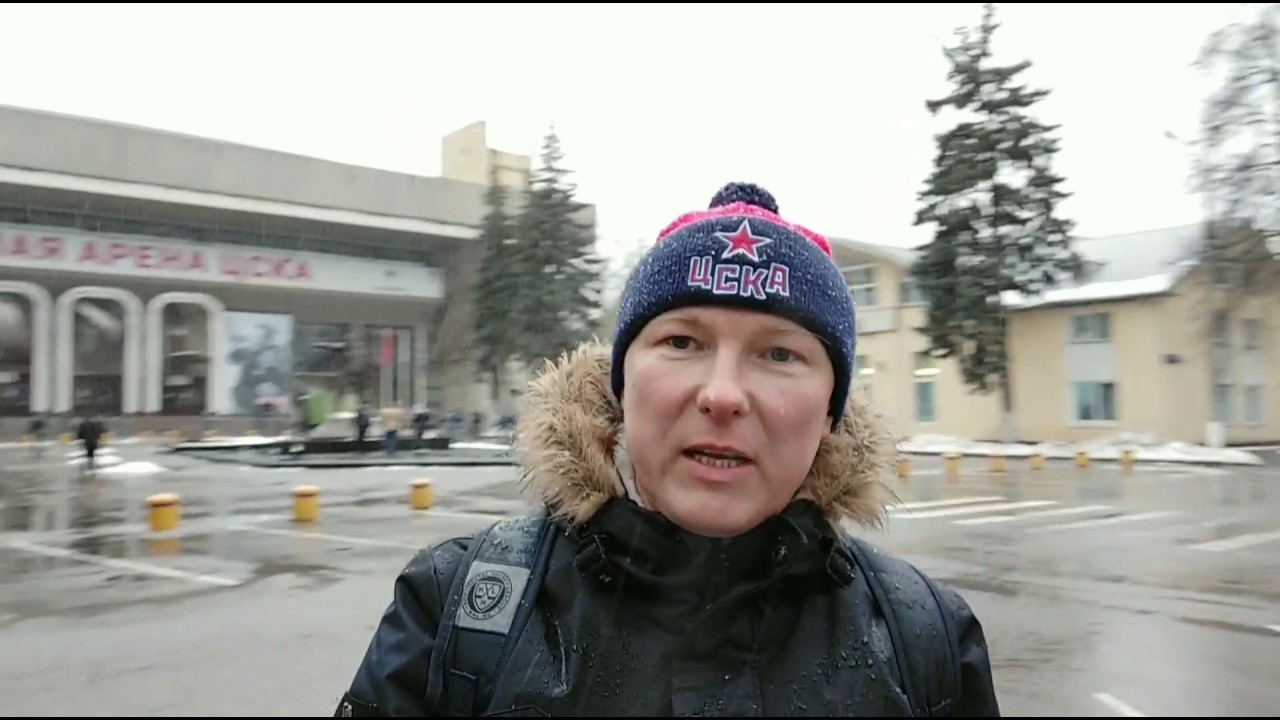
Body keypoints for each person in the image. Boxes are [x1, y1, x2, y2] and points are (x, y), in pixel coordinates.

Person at [334, 182, 1000, 717]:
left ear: (831, 409)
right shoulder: (457, 609)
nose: (723, 395)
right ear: (621, 386)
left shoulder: (925, 642)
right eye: (682, 342)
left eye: (779, 353)